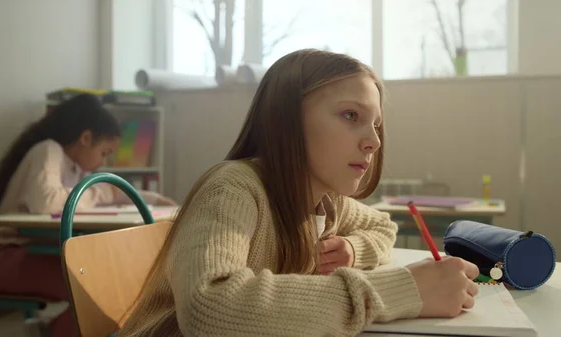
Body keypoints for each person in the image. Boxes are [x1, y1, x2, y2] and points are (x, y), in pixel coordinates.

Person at [117, 49, 479, 336]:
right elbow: (209, 306)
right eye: (351, 116)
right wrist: (399, 291)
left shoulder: (326, 201)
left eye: (377, 125)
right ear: (286, 120)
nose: (373, 141)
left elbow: (383, 226)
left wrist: (353, 250)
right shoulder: (232, 189)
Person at [0, 94, 175, 337]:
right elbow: (47, 203)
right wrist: (106, 191)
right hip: (3, 257)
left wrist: (155, 200)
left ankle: (48, 331)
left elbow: (107, 194)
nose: (104, 161)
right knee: (99, 291)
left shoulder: (74, 167)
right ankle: (51, 332)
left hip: (33, 253)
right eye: (104, 152)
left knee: (107, 285)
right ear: (85, 138)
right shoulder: (48, 150)